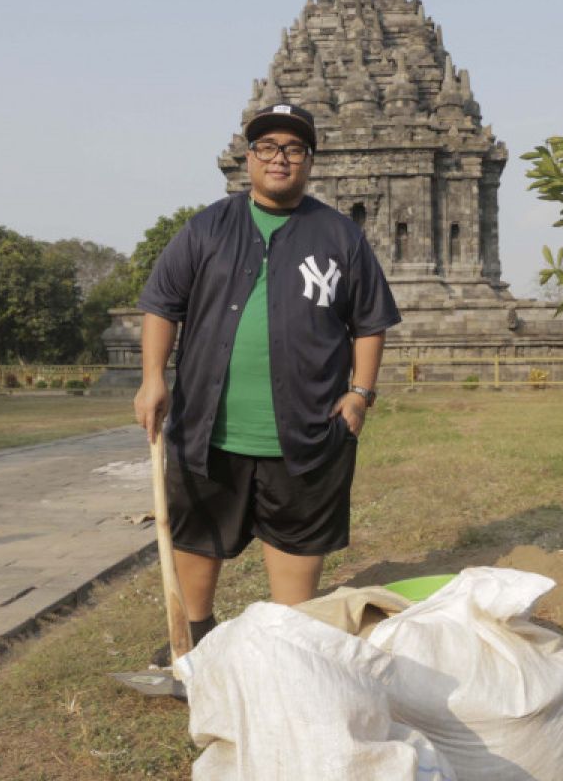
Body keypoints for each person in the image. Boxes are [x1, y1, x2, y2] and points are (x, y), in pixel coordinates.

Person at [133, 103, 400, 662]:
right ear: (249, 158)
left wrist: (360, 394)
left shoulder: (339, 235)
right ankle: (195, 641)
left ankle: (288, 649)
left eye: (294, 149)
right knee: (199, 534)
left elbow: (370, 320)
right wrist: (152, 378)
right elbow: (162, 303)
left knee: (297, 538)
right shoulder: (208, 227)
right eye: (268, 148)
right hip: (209, 427)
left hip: (307, 428)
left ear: (309, 162)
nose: (281, 159)